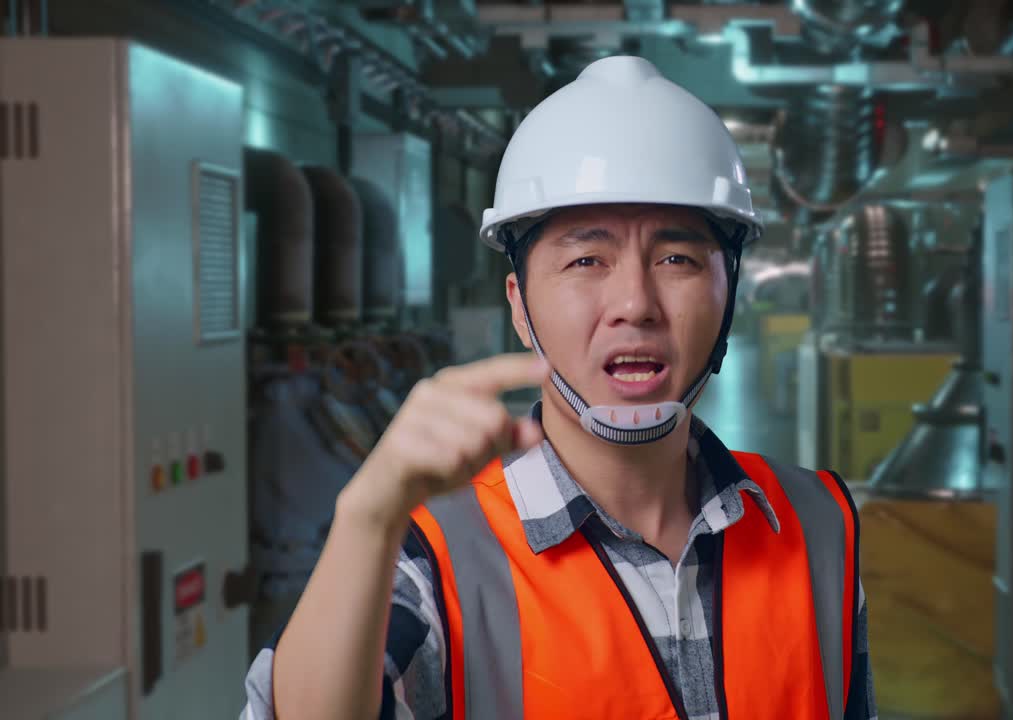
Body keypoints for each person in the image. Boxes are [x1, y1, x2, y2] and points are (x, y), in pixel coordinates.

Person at [241, 55, 876, 720]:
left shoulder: (816, 522)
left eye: (677, 258)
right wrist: (367, 515)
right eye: (585, 260)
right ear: (519, 306)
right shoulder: (433, 556)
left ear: (730, 292)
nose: (635, 302)